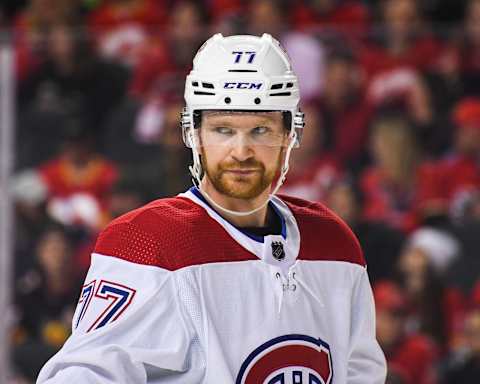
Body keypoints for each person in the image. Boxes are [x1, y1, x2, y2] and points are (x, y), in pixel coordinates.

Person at [37, 33, 386, 383]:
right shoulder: (149, 242)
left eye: (260, 129)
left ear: (288, 136)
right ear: (195, 135)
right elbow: (85, 374)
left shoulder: (335, 244)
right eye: (223, 129)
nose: (241, 151)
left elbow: (360, 373)